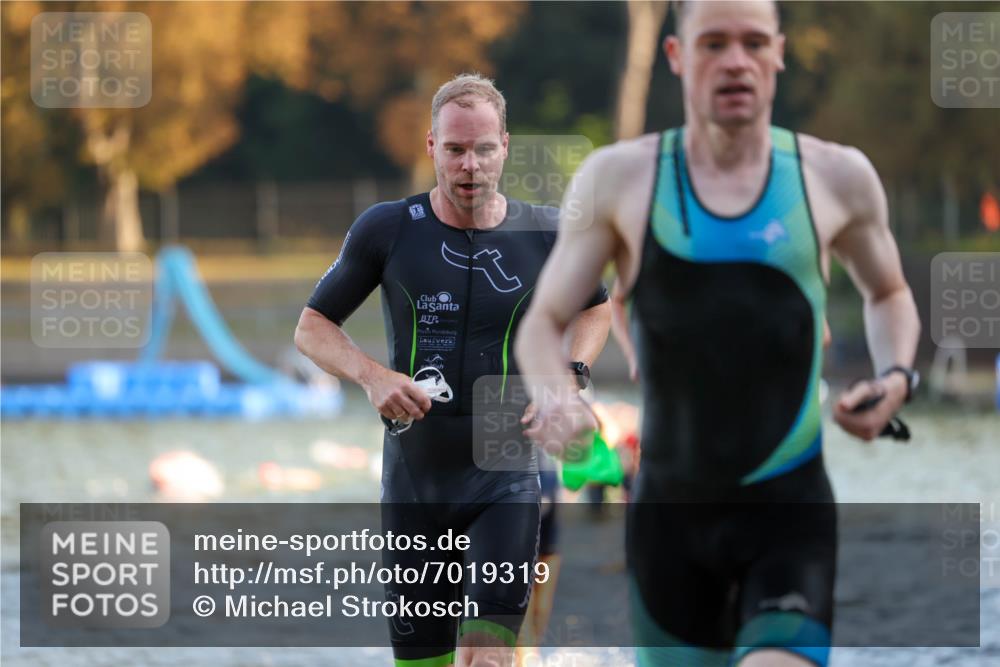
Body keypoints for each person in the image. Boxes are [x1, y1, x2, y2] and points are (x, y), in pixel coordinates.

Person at [514, 2, 921, 666]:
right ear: (676, 56)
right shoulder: (620, 180)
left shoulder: (835, 177)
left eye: (754, 43)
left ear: (779, 54)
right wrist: (556, 396)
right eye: (715, 44)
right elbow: (542, 323)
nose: (736, 60)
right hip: (670, 524)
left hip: (789, 513)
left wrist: (897, 374)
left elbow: (890, 292)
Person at [295, 73, 610, 667]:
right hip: (417, 475)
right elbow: (312, 326)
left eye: (484, 149)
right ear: (431, 147)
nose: (471, 165)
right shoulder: (387, 229)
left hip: (505, 460)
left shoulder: (545, 230)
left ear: (505, 147)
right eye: (457, 149)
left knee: (486, 659)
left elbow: (598, 307)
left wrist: (570, 376)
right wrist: (373, 376)